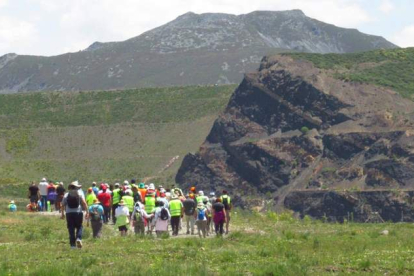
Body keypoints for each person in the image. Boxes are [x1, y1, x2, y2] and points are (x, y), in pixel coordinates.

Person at [61, 181, 89, 249]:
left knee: (71, 228)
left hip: (69, 213)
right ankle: (78, 238)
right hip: (78, 212)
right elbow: (84, 203)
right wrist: (87, 212)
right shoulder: (79, 194)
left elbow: (62, 205)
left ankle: (72, 245)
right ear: (76, 187)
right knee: (79, 227)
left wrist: (62, 214)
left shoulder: (66, 195)